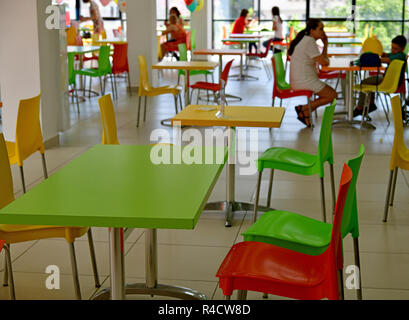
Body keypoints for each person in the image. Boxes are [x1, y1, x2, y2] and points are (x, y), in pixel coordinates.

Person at [289, 19, 337, 127]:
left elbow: (323, 61)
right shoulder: (309, 42)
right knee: (332, 95)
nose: (323, 31)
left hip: (301, 79)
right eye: (320, 29)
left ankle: (305, 111)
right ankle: (304, 108)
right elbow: (325, 62)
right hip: (304, 80)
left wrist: (325, 45)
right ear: (312, 30)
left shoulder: (306, 40)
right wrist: (326, 45)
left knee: (331, 95)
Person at [353, 35, 407, 117]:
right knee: (369, 81)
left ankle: (360, 107)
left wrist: (371, 58)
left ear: (402, 48)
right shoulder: (395, 54)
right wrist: (377, 49)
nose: (393, 50)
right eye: (392, 48)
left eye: (395, 48)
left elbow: (386, 59)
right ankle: (371, 104)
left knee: (364, 82)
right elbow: (384, 55)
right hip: (387, 79)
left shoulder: (400, 56)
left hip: (389, 81)